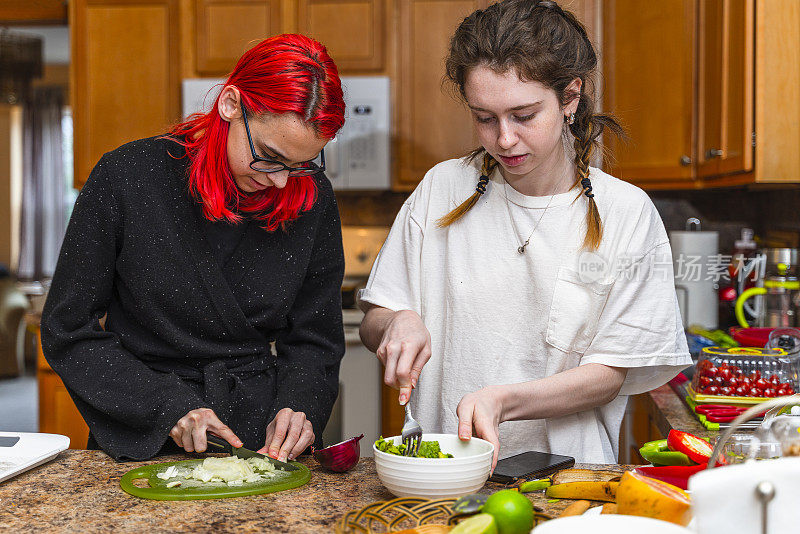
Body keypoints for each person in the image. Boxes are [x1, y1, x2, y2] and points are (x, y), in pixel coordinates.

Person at [358, 0, 691, 468]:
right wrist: (396, 321)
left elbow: (609, 373)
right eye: (485, 118)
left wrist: (502, 401)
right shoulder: (441, 188)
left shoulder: (625, 212)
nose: (504, 139)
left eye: (524, 115)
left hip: (567, 476)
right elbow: (378, 316)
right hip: (442, 470)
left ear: (570, 98)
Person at [41, 34, 346, 462]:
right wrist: (167, 406)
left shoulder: (313, 198)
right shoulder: (126, 177)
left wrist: (299, 405)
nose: (280, 181)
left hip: (261, 442)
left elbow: (315, 338)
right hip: (143, 429)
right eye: (272, 157)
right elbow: (68, 331)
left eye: (299, 166)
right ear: (230, 105)